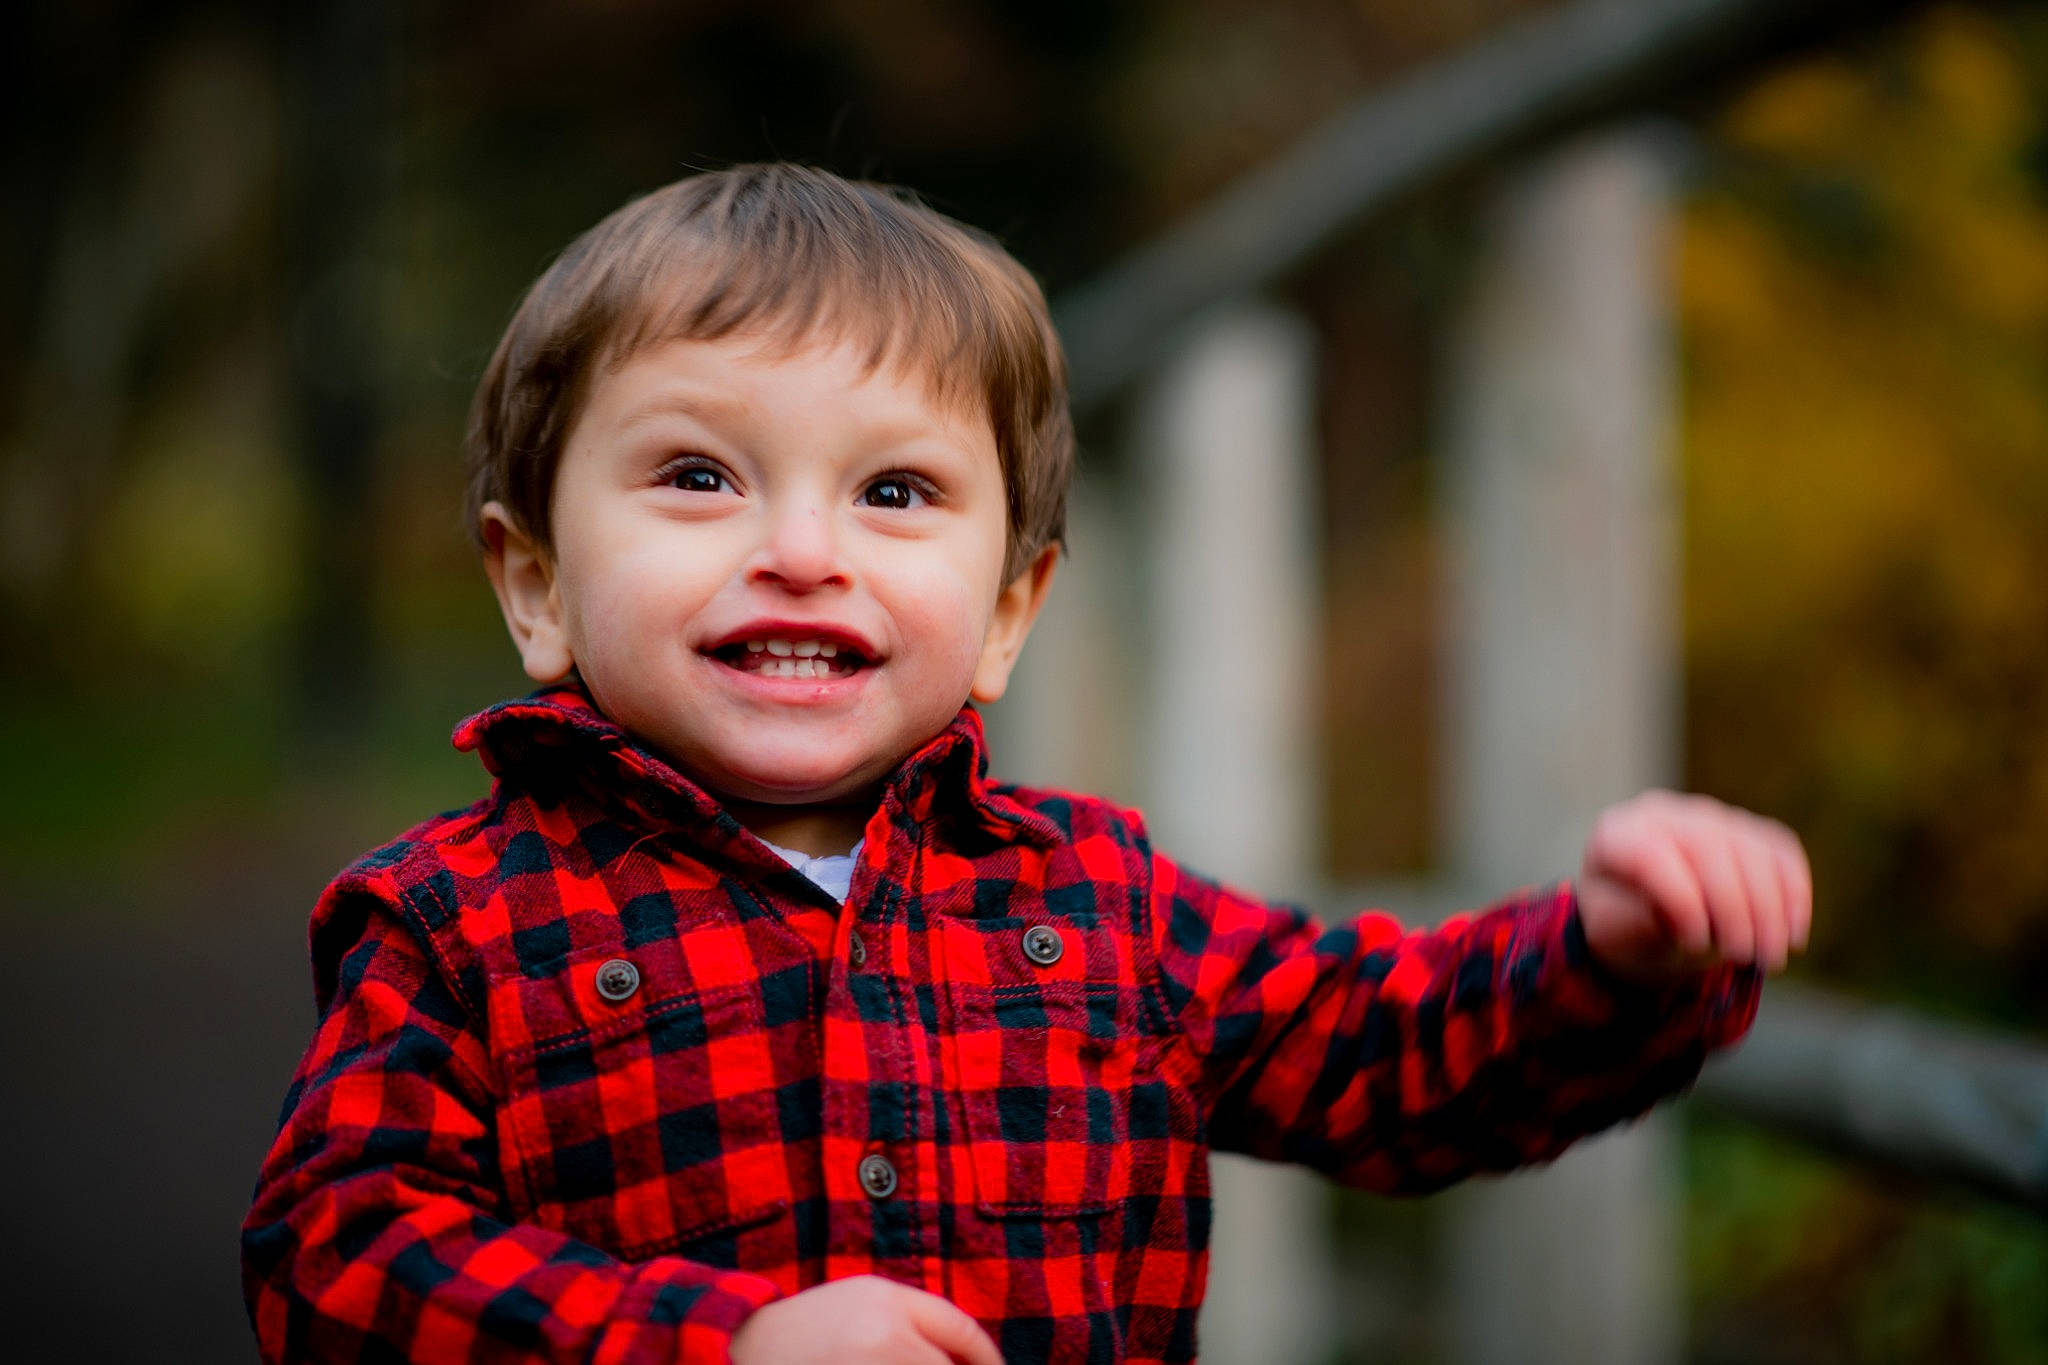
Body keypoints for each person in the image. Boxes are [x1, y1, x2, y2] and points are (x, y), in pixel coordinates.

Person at [241, 163, 1811, 1365]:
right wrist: (705, 1341)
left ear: (1007, 614)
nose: (801, 551)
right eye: (700, 474)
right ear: (535, 586)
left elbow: (1391, 1055)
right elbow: (335, 1256)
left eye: (897, 492)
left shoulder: (1104, 903)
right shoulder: (459, 922)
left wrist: (1617, 952)